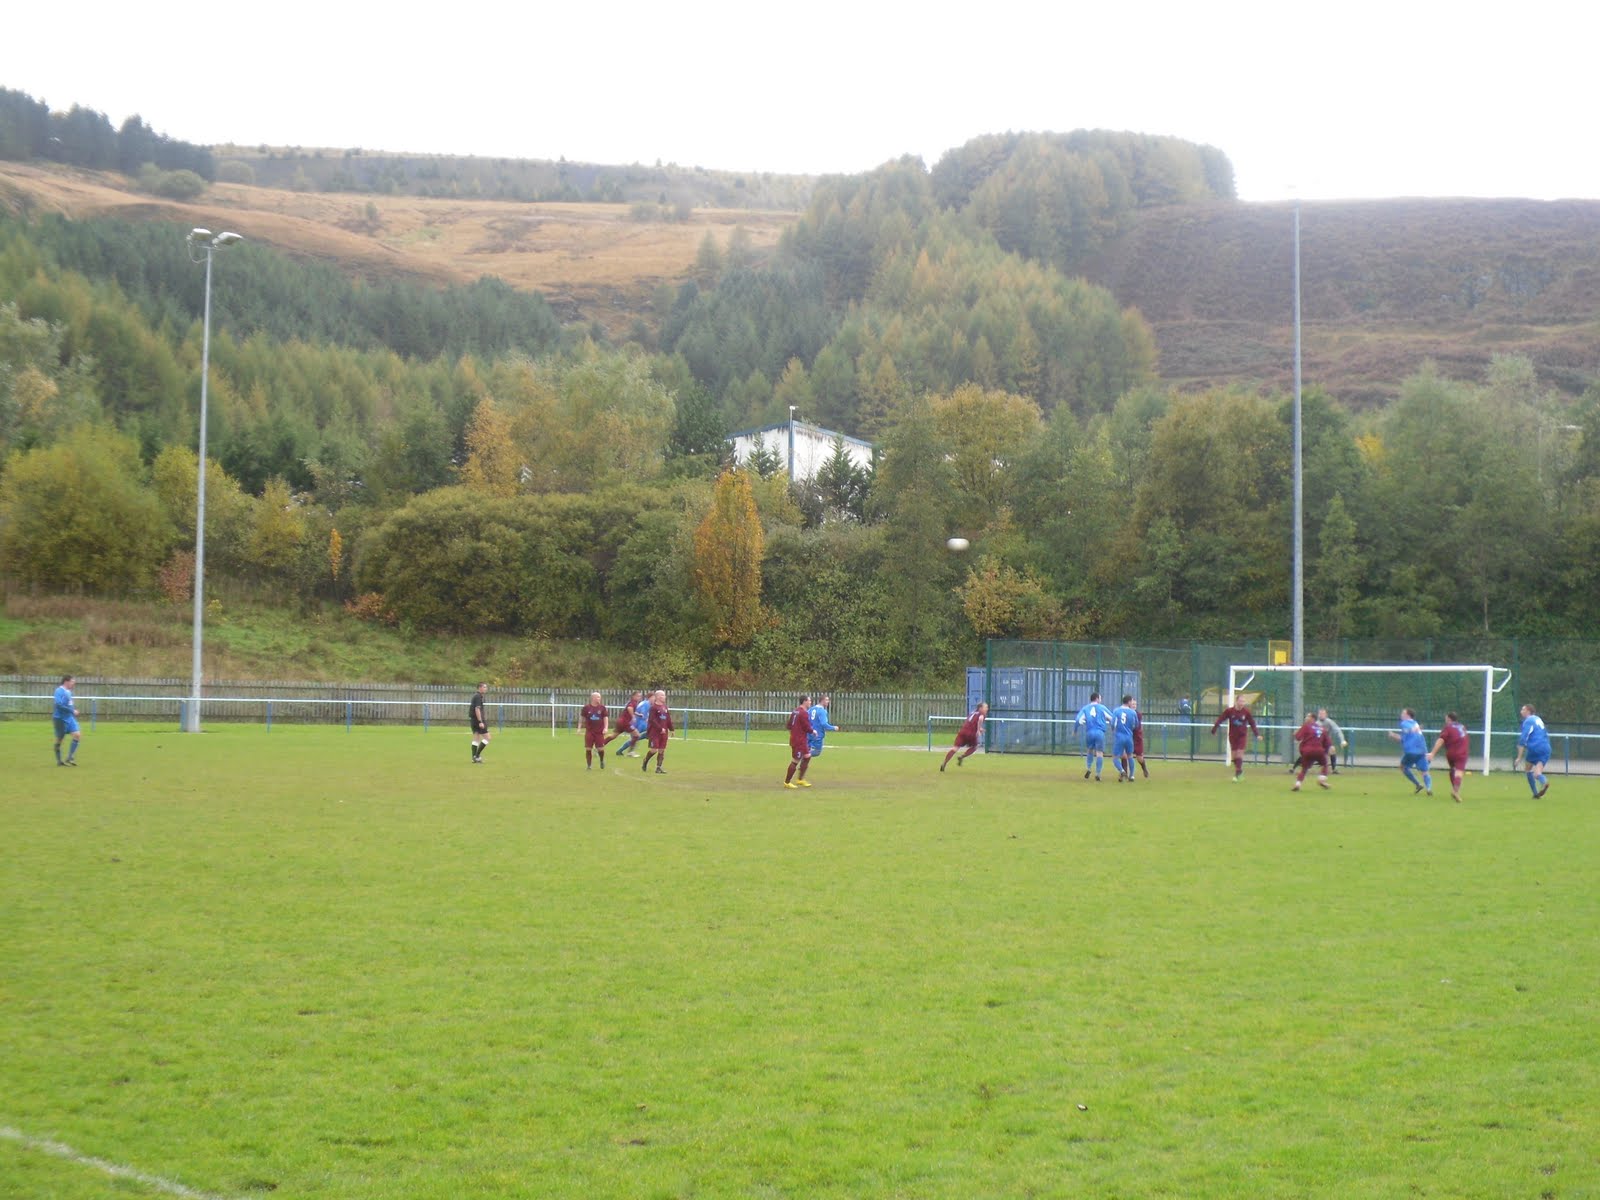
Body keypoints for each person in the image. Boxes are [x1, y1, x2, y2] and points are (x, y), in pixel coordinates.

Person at [1210, 695, 1261, 780]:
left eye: (1243, 701)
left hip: (1242, 736)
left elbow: (1252, 723)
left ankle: (1238, 773)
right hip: (1232, 736)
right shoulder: (1229, 711)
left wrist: (1257, 734)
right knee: (1234, 757)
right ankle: (1239, 771)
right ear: (1236, 701)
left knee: (1239, 753)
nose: (1242, 703)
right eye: (1240, 701)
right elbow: (1220, 719)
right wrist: (1214, 729)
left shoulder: (1246, 712)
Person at [1389, 707, 1433, 795]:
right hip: (1422, 750)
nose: (1401, 715)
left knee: (1403, 767)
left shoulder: (1404, 723)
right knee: (1425, 771)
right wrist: (1394, 735)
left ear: (1407, 715)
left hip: (1411, 750)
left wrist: (1392, 735)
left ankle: (1418, 784)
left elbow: (1408, 731)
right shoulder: (1415, 723)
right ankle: (1428, 788)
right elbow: (1404, 738)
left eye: (1403, 713)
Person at [1429, 712, 1470, 802]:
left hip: (1451, 753)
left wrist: (1432, 753)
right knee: (1459, 772)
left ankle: (1455, 790)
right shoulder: (1462, 727)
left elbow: (1441, 740)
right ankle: (1455, 791)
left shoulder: (1448, 727)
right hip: (1462, 752)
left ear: (1448, 719)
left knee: (1453, 770)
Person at [1514, 703, 1552, 798]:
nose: (1521, 711)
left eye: (1523, 709)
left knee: (1527, 769)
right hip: (1546, 747)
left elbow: (1523, 739)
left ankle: (1535, 793)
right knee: (1537, 773)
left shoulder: (1528, 721)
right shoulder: (1538, 719)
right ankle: (1544, 782)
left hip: (1535, 747)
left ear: (1528, 711)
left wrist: (1519, 758)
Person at [941, 701, 988, 771]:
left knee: (955, 748)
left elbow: (972, 723)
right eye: (985, 707)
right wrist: (978, 729)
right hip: (971, 734)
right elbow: (980, 719)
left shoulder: (973, 713)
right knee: (974, 747)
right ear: (980, 708)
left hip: (963, 732)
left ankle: (944, 763)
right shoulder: (982, 714)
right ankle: (962, 756)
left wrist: (979, 728)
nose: (987, 709)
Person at [1074, 692, 1112, 780]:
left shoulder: (1085, 708)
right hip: (1100, 732)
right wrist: (1113, 727)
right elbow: (1112, 718)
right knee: (1099, 753)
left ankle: (1088, 768)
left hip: (1090, 732)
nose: (1101, 700)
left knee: (1089, 751)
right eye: (1100, 698)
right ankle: (1098, 773)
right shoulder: (1102, 708)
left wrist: (1075, 730)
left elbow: (1078, 720)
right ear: (1097, 699)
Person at [1290, 710, 1330, 791]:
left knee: (1304, 769)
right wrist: (1326, 751)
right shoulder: (1322, 729)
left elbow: (1298, 737)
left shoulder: (1306, 726)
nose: (1306, 718)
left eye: (1308, 716)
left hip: (1307, 751)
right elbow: (1327, 743)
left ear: (1312, 718)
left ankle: (1298, 784)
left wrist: (1295, 734)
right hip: (1319, 751)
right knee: (1325, 764)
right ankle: (1322, 779)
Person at [785, 693, 815, 788]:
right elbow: (807, 727)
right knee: (795, 760)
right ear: (805, 701)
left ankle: (800, 779)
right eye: (809, 700)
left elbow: (789, 725)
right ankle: (787, 782)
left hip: (800, 739)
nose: (810, 702)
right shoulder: (803, 713)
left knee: (807, 756)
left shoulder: (795, 711)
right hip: (799, 741)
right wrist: (813, 731)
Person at [641, 689, 674, 774]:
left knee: (662, 750)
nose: (664, 697)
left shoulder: (665, 707)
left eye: (664, 695)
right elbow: (652, 720)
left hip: (664, 732)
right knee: (654, 750)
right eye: (662, 695)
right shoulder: (653, 708)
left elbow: (668, 719)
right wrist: (660, 728)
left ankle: (658, 768)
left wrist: (671, 729)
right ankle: (645, 761)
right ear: (658, 697)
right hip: (655, 733)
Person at [52, 674, 81, 766]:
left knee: (77, 735)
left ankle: (70, 757)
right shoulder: (59, 691)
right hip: (60, 719)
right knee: (59, 740)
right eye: (72, 682)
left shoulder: (69, 692)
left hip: (69, 718)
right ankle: (59, 761)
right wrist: (72, 711)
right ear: (66, 682)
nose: (74, 684)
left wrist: (73, 711)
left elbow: (69, 704)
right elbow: (58, 705)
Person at [1111, 694, 1139, 782]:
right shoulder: (1133, 712)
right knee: (1130, 755)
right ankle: (1132, 775)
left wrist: (1113, 730)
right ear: (1129, 702)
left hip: (1119, 737)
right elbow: (1136, 725)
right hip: (1129, 737)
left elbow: (1112, 723)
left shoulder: (1116, 711)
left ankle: (1122, 771)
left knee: (1115, 758)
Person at [580, 691, 609, 770]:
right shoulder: (586, 708)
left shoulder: (602, 708)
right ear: (593, 698)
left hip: (599, 732)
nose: (599, 698)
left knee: (600, 749)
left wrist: (606, 728)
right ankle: (589, 765)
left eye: (600, 697)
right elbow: (582, 717)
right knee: (588, 748)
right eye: (598, 697)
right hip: (589, 731)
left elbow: (605, 718)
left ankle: (601, 760)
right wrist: (579, 727)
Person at [807, 693, 840, 759]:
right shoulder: (822, 711)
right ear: (822, 701)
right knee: (816, 752)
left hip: (809, 733)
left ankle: (801, 760)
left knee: (808, 750)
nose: (828, 701)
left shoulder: (811, 709)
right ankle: (801, 755)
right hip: (818, 735)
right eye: (826, 700)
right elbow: (824, 724)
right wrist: (833, 728)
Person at [1318, 708, 1348, 774]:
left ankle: (1334, 769)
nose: (1321, 715)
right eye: (1320, 714)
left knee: (1332, 749)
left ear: (1326, 715)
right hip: (1317, 743)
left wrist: (1342, 740)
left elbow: (1338, 731)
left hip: (1326, 743)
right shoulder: (1316, 723)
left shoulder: (1329, 722)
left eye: (1323, 714)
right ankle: (1299, 767)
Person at [469, 682, 490, 764]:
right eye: (484, 687)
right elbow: (477, 709)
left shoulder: (477, 696)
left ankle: (474, 758)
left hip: (473, 720)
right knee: (487, 737)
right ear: (480, 688)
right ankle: (476, 756)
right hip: (477, 720)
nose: (486, 689)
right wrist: (480, 721)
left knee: (476, 738)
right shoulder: (478, 696)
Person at [1129, 697, 1150, 778]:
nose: (1134, 705)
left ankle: (1144, 768)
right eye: (1133, 704)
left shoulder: (1138, 714)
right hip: (1129, 738)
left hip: (1137, 738)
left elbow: (1136, 726)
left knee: (1139, 757)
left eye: (1135, 704)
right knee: (1126, 755)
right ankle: (1126, 773)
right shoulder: (1126, 713)